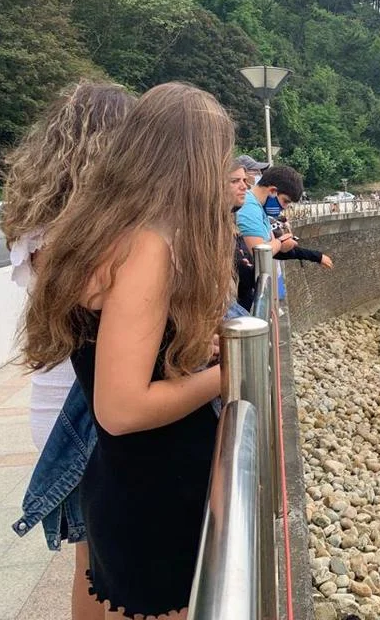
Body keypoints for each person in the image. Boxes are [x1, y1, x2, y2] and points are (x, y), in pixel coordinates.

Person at [22, 82, 235, 619]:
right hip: (156, 491)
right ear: (195, 162)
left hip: (126, 483)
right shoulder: (146, 247)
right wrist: (224, 375)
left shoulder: (95, 231)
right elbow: (120, 409)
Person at [0, 81, 136, 620]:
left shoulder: (35, 226)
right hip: (85, 411)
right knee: (117, 561)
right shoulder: (83, 235)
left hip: (55, 402)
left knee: (93, 558)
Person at [232, 163, 332, 310]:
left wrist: (314, 256)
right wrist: (279, 243)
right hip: (240, 300)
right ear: (273, 191)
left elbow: (271, 247)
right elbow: (260, 252)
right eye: (285, 201)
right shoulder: (249, 208)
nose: (284, 207)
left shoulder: (259, 209)